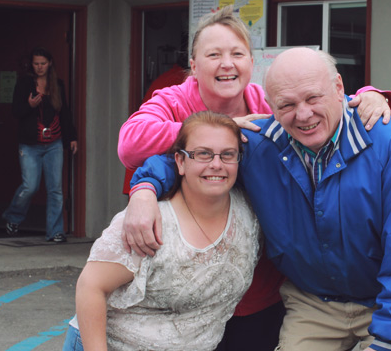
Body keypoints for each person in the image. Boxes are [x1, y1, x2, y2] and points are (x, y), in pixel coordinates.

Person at [118, 5, 391, 351]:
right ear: (194, 67)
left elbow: (320, 105)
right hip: (189, 283)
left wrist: (374, 99)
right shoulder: (174, 100)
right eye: (213, 54)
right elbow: (135, 143)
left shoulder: (263, 104)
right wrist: (145, 187)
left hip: (260, 282)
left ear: (250, 63)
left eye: (237, 53)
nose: (226, 63)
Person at [63, 111, 261, 351]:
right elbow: (91, 286)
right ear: (180, 162)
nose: (216, 164)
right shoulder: (148, 220)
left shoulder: (248, 213)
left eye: (227, 155)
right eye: (203, 154)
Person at [3, 47, 78, 243]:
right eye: (36, 64)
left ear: (50, 63)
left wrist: (71, 137)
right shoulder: (24, 83)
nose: (39, 67)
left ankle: (55, 233)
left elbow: (65, 113)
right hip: (30, 144)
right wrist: (30, 105)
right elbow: (16, 112)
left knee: (55, 189)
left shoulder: (57, 85)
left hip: (54, 143)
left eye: (43, 63)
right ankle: (13, 217)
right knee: (30, 186)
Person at [121, 51, 189, 195]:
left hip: (146, 170)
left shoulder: (167, 78)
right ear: (193, 66)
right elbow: (132, 141)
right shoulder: (177, 84)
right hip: (147, 169)